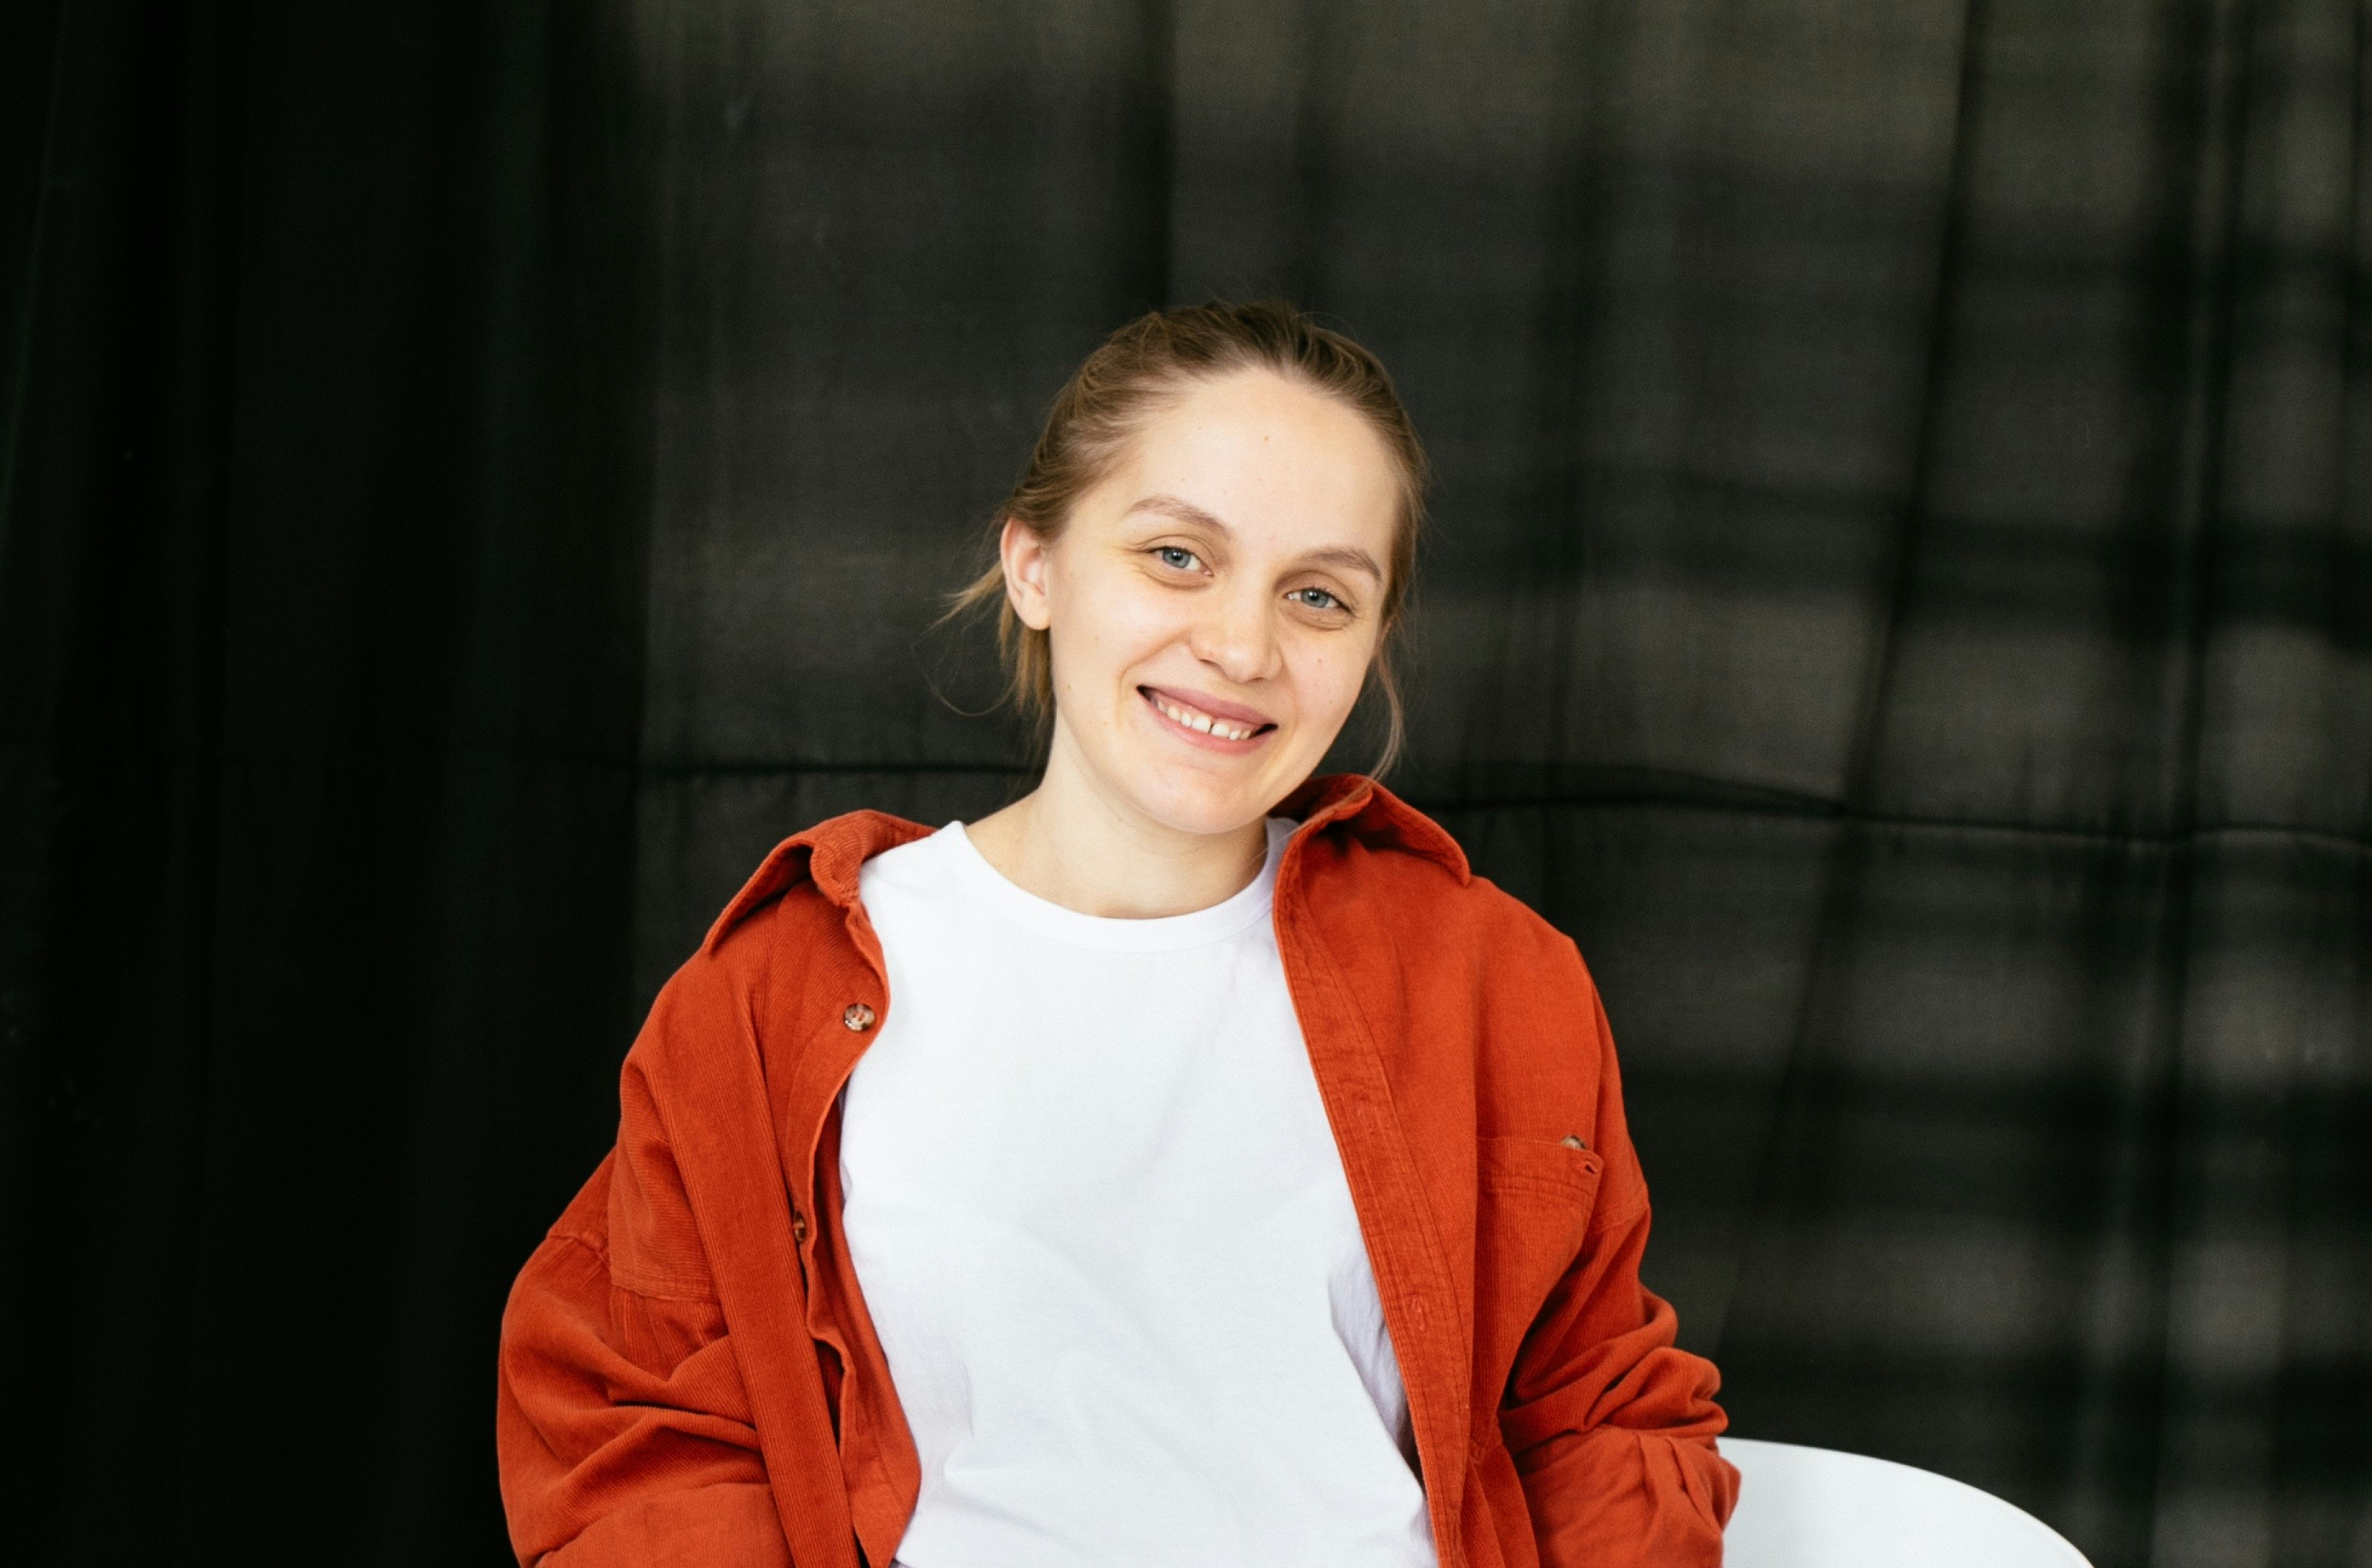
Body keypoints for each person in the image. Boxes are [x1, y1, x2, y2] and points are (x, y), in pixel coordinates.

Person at [496, 301, 1738, 1567]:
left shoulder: (1491, 978)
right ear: (1035, 566)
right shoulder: (775, 991)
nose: (1241, 645)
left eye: (1316, 594)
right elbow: (645, 1429)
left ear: (1369, 642)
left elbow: (1599, 1417)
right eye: (1176, 556)